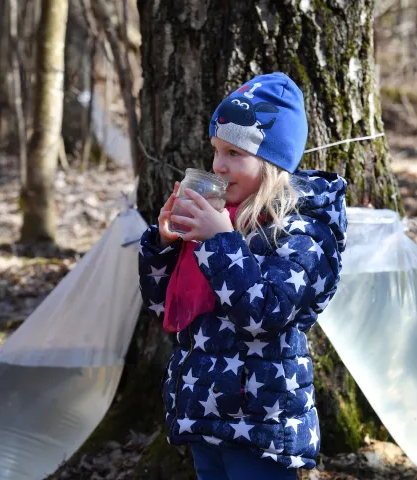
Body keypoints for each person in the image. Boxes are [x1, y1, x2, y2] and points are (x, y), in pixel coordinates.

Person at [138, 72, 347, 479]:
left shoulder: (301, 229)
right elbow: (163, 306)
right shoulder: (220, 219)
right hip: (203, 410)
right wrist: (164, 246)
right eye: (216, 149)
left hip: (261, 423)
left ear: (271, 159)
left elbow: (265, 313)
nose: (218, 164)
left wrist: (220, 242)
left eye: (234, 152)